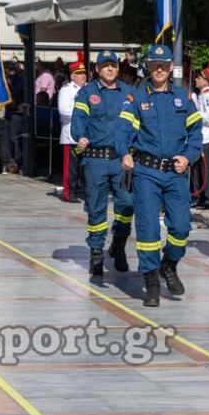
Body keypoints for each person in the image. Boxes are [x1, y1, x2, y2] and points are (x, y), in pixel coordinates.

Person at [116, 44, 202, 306]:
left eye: (164, 66)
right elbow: (122, 131)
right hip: (146, 173)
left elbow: (196, 133)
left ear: (169, 68)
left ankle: (169, 264)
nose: (160, 70)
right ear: (149, 68)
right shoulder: (136, 99)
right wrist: (124, 153)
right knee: (149, 230)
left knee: (181, 228)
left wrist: (189, 157)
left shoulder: (184, 98)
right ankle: (151, 281)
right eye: (155, 65)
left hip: (175, 174)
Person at [71, 51, 134, 275]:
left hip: (121, 161)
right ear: (96, 69)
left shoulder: (129, 93)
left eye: (113, 65)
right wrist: (80, 136)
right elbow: (78, 120)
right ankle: (96, 251)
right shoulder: (86, 93)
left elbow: (139, 121)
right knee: (96, 209)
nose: (110, 68)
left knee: (126, 206)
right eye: (105, 65)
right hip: (95, 160)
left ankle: (119, 245)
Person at [57, 56, 86, 202]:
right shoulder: (67, 90)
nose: (83, 76)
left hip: (85, 135)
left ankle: (82, 191)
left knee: (84, 166)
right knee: (71, 167)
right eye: (79, 73)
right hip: (71, 134)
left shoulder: (88, 89)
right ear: (72, 76)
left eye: (84, 73)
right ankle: (69, 193)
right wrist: (81, 114)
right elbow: (63, 110)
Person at [192, 63, 209, 209]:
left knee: (206, 169)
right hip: (200, 136)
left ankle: (208, 198)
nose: (196, 79)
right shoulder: (202, 94)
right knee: (197, 168)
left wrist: (195, 115)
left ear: (206, 80)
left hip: (208, 137)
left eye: (199, 77)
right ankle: (199, 196)